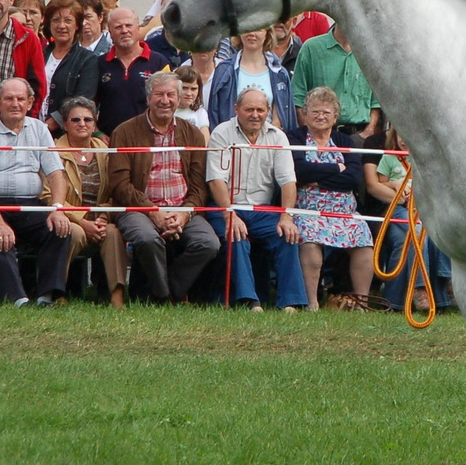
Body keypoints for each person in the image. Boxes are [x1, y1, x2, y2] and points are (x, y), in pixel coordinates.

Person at [108, 75, 220, 306]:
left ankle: (167, 293)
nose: (165, 100)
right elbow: (120, 186)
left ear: (179, 99)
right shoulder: (124, 132)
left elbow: (199, 186)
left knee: (209, 243)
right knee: (148, 238)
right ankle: (162, 296)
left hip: (182, 209)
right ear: (148, 98)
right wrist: (153, 211)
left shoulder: (193, 134)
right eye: (159, 94)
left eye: (171, 95)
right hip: (138, 209)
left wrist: (184, 213)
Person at [0, 78, 73, 305]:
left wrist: (58, 209)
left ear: (30, 102)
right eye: (9, 99)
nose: (15, 104)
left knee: (60, 229)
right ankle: (16, 298)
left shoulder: (39, 129)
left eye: (20, 99)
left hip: (30, 204)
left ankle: (47, 295)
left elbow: (56, 174)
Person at [205, 87, 303, 310]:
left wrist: (286, 216)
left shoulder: (278, 137)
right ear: (236, 109)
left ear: (268, 111)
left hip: (262, 210)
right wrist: (229, 214)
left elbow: (288, 181)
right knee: (236, 234)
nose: (255, 115)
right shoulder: (221, 133)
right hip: (226, 206)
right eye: (249, 109)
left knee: (287, 235)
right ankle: (250, 301)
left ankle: (290, 302)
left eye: (260, 109)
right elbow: (215, 180)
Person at [288, 86, 374, 308]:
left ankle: (362, 302)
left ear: (335, 117)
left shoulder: (345, 141)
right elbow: (299, 171)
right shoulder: (294, 137)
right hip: (306, 210)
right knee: (309, 240)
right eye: (315, 111)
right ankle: (312, 303)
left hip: (345, 212)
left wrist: (318, 179)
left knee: (364, 240)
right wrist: (337, 167)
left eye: (326, 112)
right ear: (305, 114)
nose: (320, 117)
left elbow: (353, 178)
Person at [49, 96, 131, 306]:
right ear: (65, 124)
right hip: (69, 219)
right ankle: (57, 293)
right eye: (75, 120)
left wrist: (103, 216)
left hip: (99, 218)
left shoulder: (106, 152)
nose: (82, 124)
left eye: (88, 119)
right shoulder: (53, 152)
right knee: (72, 233)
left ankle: (117, 295)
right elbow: (47, 194)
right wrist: (82, 221)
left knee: (112, 232)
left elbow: (116, 190)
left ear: (95, 123)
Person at [362, 126, 452, 311]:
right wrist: (396, 188)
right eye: (401, 135)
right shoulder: (385, 154)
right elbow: (376, 184)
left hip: (423, 208)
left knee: (437, 232)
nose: (404, 140)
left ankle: (442, 288)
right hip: (394, 209)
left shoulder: (424, 158)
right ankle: (419, 288)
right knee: (416, 232)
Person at [291, 23, 379, 139]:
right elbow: (297, 96)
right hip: (319, 135)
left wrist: (369, 131)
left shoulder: (372, 51)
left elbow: (377, 100)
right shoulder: (312, 48)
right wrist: (311, 133)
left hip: (360, 137)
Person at [94, 6, 166, 135]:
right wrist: (97, 133)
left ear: (138, 29)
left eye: (129, 25)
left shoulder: (159, 63)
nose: (124, 31)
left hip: (148, 141)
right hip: (110, 142)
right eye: (118, 27)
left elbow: (168, 103)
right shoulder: (98, 64)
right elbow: (88, 105)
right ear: (109, 32)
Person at [208, 27, 294, 132]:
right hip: (233, 142)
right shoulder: (224, 71)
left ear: (267, 33)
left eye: (258, 29)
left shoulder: (280, 73)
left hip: (267, 141)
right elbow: (214, 114)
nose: (252, 33)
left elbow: (285, 116)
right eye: (247, 28)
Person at [38, 0, 99, 128]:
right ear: (48, 24)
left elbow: (82, 99)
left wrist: (50, 125)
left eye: (68, 20)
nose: (61, 26)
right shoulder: (39, 54)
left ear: (77, 25)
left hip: (65, 133)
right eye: (56, 20)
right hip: (34, 128)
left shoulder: (87, 59)